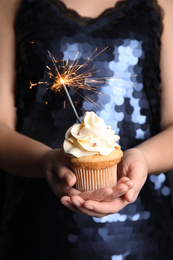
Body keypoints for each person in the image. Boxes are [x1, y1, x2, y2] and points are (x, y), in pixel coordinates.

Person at [0, 0, 173, 259]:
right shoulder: (10, 4)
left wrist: (142, 159)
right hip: (34, 229)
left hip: (145, 232)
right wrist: (45, 160)